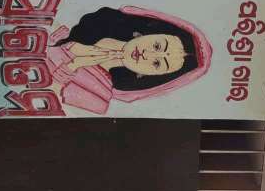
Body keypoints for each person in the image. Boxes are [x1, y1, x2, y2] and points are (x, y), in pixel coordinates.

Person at [45, 6, 212, 115]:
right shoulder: (89, 25)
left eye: (157, 63)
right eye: (157, 46)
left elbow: (50, 102)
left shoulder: (99, 97)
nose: (147, 55)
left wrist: (75, 64)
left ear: (151, 76)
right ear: (151, 33)